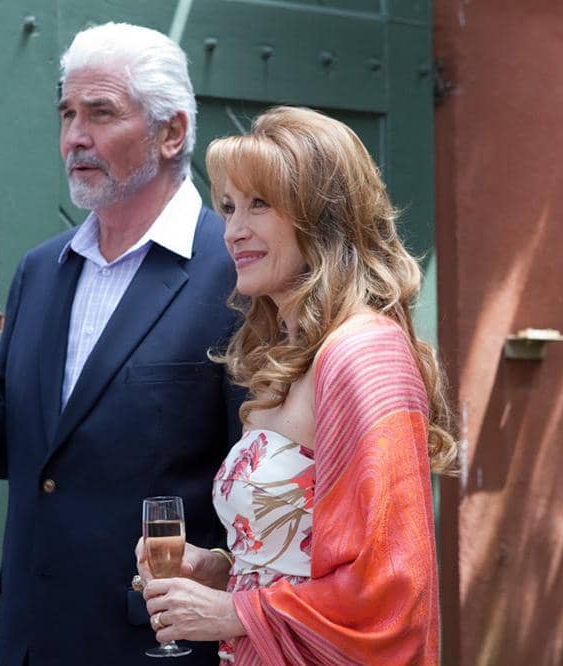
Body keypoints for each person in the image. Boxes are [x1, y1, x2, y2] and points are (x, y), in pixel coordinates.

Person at [0, 22, 240, 664]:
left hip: (158, 641)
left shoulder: (235, 270)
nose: (74, 136)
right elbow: (17, 435)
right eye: (67, 114)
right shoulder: (42, 268)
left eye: (100, 113)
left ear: (172, 132)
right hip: (32, 636)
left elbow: (265, 479)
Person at [136, 106, 459, 665]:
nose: (233, 231)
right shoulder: (290, 357)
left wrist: (234, 613)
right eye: (229, 207)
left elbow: (391, 589)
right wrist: (219, 570)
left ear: (323, 216)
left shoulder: (364, 354)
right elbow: (301, 563)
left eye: (260, 204)